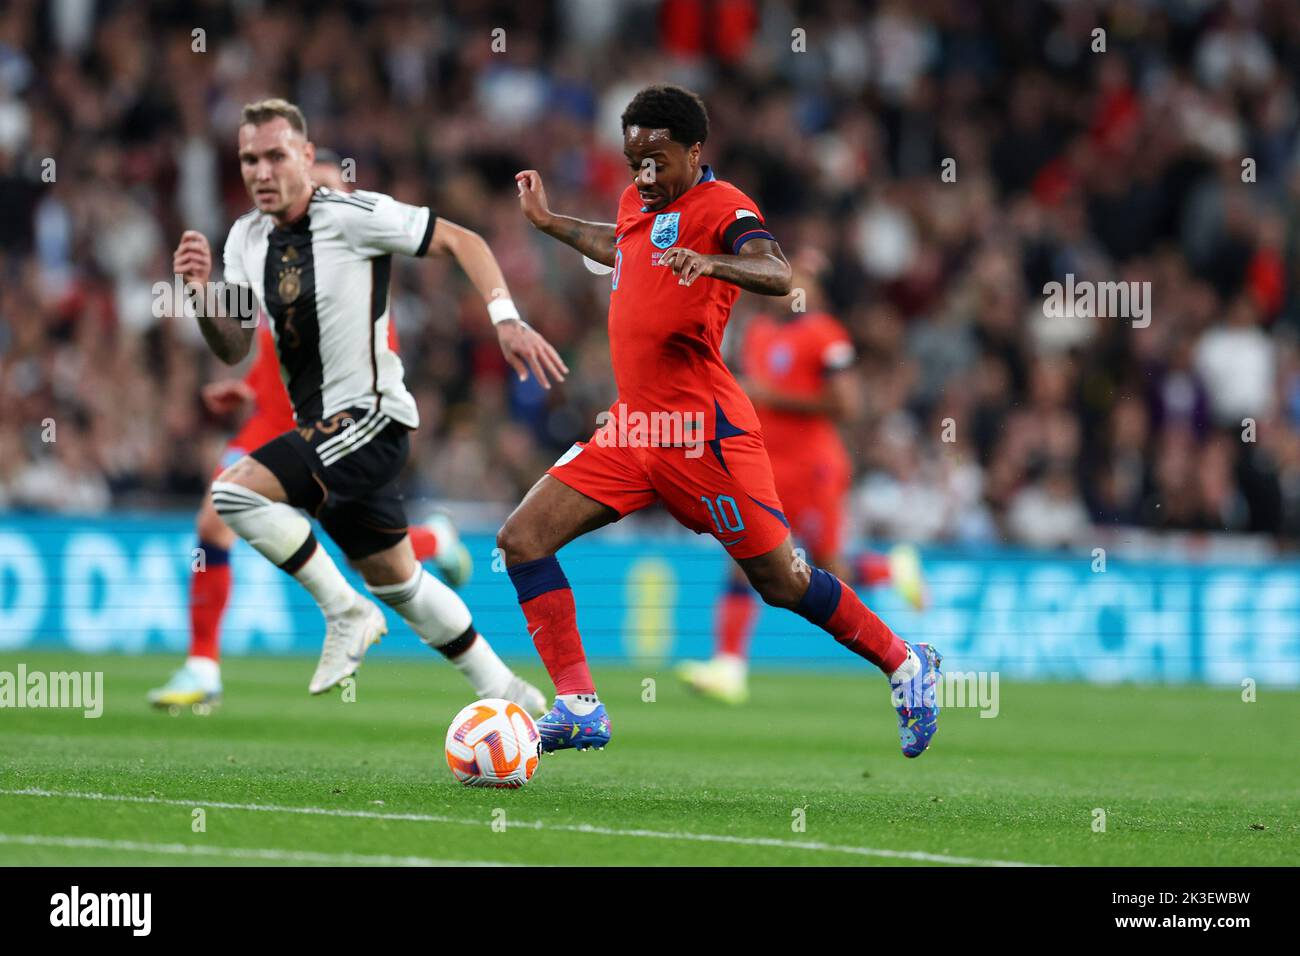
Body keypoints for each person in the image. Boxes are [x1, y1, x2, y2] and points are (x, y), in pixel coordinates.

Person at [503, 85, 942, 758]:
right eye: (633, 161)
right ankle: (578, 706)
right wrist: (551, 222)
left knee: (783, 580)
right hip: (633, 430)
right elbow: (615, 247)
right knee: (523, 538)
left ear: (694, 151)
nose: (644, 175)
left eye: (657, 159)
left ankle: (906, 663)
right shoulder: (634, 206)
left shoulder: (723, 205)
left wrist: (712, 262)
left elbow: (776, 268)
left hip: (702, 434)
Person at [174, 98, 564, 712]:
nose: (261, 171)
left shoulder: (352, 215)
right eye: (249, 159)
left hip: (372, 421)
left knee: (231, 494)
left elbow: (463, 239)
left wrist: (506, 318)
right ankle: (510, 693)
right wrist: (200, 296)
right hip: (325, 434)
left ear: (304, 158)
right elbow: (234, 344)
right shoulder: (246, 238)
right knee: (401, 583)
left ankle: (343, 613)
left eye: (276, 156)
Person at [148, 153, 469, 710]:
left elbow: (356, 369)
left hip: (335, 427)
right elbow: (273, 342)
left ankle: (435, 540)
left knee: (362, 552)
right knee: (214, 517)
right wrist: (249, 388)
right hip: (270, 422)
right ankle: (202, 666)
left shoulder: (358, 272)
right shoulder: (275, 255)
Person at [679, 250, 928, 705]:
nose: (796, 287)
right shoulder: (757, 331)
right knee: (743, 558)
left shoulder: (824, 335)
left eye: (807, 279)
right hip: (766, 468)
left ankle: (890, 569)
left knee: (828, 568)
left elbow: (848, 405)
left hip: (814, 471)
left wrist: (772, 396)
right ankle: (729, 668)